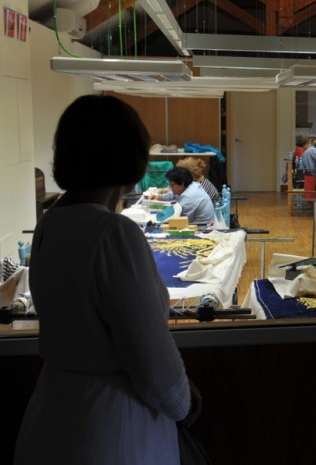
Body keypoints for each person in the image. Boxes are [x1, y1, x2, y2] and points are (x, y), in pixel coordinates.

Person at [14, 95, 201, 464]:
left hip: (52, 412)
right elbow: (155, 368)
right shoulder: (114, 234)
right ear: (131, 158)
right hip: (114, 428)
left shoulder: (50, 223)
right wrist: (186, 402)